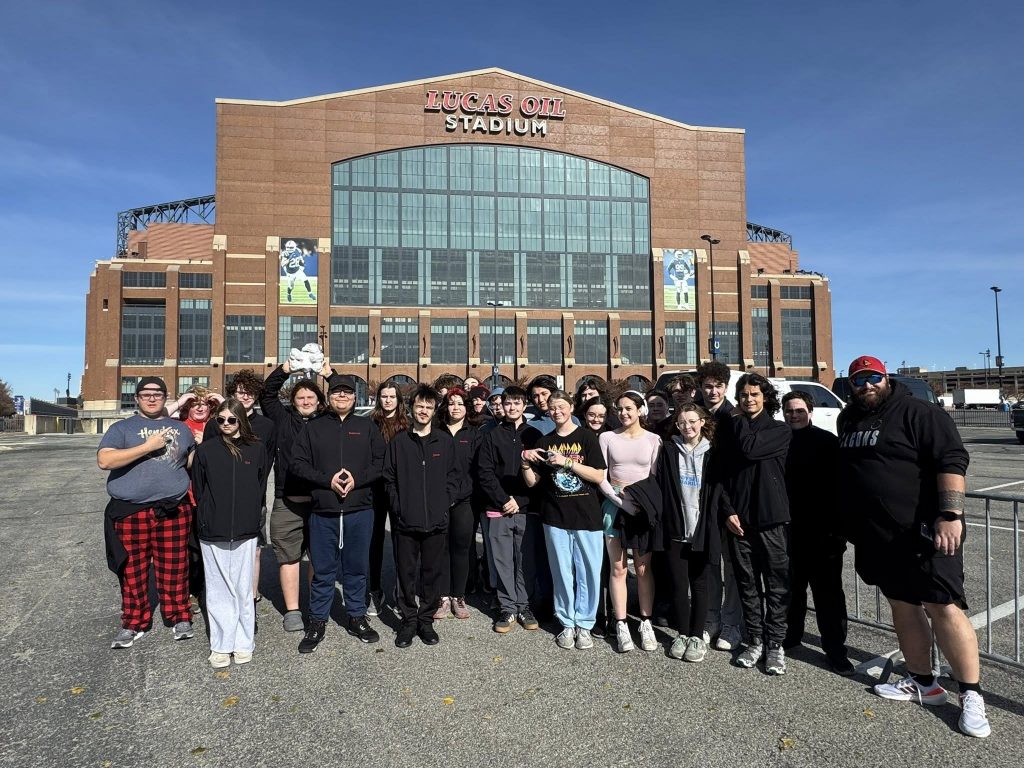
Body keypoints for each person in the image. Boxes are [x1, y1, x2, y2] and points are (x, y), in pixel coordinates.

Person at [837, 356, 989, 738]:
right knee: (902, 606)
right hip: (879, 537)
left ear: (886, 378)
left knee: (943, 605)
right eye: (858, 380)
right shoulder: (849, 419)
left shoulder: (919, 413)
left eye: (873, 378)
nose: (866, 386)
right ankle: (925, 683)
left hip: (926, 531)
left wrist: (950, 515)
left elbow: (951, 460)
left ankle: (971, 694)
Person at [98, 377, 196, 649]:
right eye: (146, 394)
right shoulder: (121, 428)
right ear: (137, 398)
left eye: (157, 394)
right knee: (132, 569)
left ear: (166, 398)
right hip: (131, 511)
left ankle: (179, 616)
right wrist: (147, 447)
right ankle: (133, 622)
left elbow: (190, 461)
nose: (152, 398)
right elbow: (105, 460)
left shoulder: (181, 429)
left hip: (173, 509)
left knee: (175, 566)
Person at [290, 374, 386, 652]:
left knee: (357, 568)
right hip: (324, 510)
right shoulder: (313, 428)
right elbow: (298, 463)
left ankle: (356, 616)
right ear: (328, 398)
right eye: (336, 393)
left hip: (359, 509)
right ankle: (317, 621)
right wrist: (325, 480)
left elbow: (381, 462)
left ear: (355, 397)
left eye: (346, 392)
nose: (341, 396)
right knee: (322, 571)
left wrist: (358, 478)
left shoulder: (366, 427)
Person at [629, 403, 721, 662]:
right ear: (677, 425)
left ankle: (696, 636)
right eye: (682, 422)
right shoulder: (669, 450)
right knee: (679, 585)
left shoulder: (713, 452)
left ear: (702, 422)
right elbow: (657, 483)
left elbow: (720, 489)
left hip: (702, 527)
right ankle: (682, 633)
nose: (688, 426)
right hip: (676, 528)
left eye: (692, 421)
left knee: (700, 584)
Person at [718, 373, 792, 675]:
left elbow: (749, 448)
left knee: (775, 583)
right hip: (739, 518)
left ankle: (776, 644)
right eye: (744, 394)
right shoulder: (729, 430)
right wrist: (727, 510)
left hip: (771, 517)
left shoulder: (780, 430)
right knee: (747, 583)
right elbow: (720, 473)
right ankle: (755, 638)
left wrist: (735, 420)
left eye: (755, 394)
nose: (748, 399)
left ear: (765, 398)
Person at [522, 391, 607, 650]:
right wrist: (525, 463)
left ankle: (585, 624)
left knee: (588, 572)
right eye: (551, 407)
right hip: (555, 516)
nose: (556, 411)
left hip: (586, 516)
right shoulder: (544, 440)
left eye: (561, 406)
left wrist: (567, 463)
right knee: (561, 572)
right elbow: (534, 483)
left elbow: (599, 475)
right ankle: (567, 623)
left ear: (571, 407)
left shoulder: (587, 437)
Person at [192, 399, 270, 667]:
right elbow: (199, 490)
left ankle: (244, 641)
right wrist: (207, 515)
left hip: (246, 530)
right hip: (213, 529)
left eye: (231, 419)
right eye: (221, 420)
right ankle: (221, 644)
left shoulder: (257, 449)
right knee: (217, 589)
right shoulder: (206, 451)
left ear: (241, 421)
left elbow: (260, 487)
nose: (226, 424)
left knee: (242, 587)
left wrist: (251, 517)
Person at [781, 392, 853, 676]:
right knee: (792, 591)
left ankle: (836, 651)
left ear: (809, 411)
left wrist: (840, 529)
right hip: (790, 531)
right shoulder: (780, 441)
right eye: (789, 411)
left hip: (824, 534)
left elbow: (842, 486)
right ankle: (791, 636)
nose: (794, 415)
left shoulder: (827, 442)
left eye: (799, 410)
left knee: (829, 596)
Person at [384, 386, 460, 648]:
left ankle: (425, 621)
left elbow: (454, 476)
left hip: (437, 521)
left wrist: (444, 502)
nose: (424, 410)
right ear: (411, 408)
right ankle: (407, 620)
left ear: (434, 409)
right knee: (405, 574)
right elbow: (389, 479)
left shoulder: (444, 441)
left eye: (429, 406)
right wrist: (398, 507)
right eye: (419, 406)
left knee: (432, 573)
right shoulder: (399, 442)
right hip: (406, 522)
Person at [259, 359, 328, 632]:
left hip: (321, 500)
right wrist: (286, 369)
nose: (306, 400)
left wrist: (328, 374)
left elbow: (342, 395)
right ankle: (292, 610)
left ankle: (315, 606)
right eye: (301, 396)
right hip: (287, 500)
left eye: (311, 396)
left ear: (319, 400)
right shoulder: (282, 419)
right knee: (288, 557)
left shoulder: (327, 421)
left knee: (319, 558)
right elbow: (267, 393)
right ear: (294, 400)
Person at [204, 370, 276, 604]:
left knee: (254, 547)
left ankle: (251, 595)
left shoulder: (266, 425)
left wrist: (256, 490)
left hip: (255, 495)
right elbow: (205, 462)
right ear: (233, 392)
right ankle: (225, 594)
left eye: (250, 392)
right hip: (220, 497)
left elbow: (267, 464)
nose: (245, 396)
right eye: (240, 391)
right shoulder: (217, 424)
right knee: (223, 548)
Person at [599, 391, 663, 652]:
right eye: (620, 409)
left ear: (640, 410)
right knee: (618, 568)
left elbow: (655, 477)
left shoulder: (654, 439)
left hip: (643, 511)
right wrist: (621, 502)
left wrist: (639, 504)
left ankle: (646, 622)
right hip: (614, 507)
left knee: (643, 568)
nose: (624, 413)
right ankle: (621, 622)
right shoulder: (607, 438)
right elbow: (601, 476)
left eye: (629, 408)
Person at [476, 386, 542, 633]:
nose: (512, 407)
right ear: (501, 406)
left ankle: (524, 605)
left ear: (525, 405)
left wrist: (521, 500)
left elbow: (539, 475)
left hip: (526, 509)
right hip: (498, 507)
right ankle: (507, 607)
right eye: (508, 403)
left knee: (525, 559)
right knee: (502, 559)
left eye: (517, 403)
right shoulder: (492, 436)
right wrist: (504, 499)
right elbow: (485, 472)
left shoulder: (534, 435)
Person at [697, 360, 742, 652]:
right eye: (708, 386)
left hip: (730, 501)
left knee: (733, 565)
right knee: (709, 564)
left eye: (718, 386)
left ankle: (732, 622)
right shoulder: (694, 414)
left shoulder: (735, 417)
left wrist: (728, 508)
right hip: (701, 500)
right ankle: (710, 617)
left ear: (726, 387)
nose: (712, 391)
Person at [435, 387, 480, 620]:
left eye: (460, 403)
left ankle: (458, 596)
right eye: (452, 403)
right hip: (439, 499)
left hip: (465, 499)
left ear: (467, 408)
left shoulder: (474, 434)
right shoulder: (436, 431)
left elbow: (477, 469)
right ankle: (442, 596)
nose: (455, 407)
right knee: (441, 547)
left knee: (461, 547)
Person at [367, 379, 409, 616]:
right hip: (374, 489)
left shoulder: (407, 425)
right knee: (374, 542)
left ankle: (402, 590)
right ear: (379, 399)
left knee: (402, 541)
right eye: (384, 396)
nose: (388, 400)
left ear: (398, 400)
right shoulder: (370, 423)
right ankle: (374, 590)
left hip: (401, 489)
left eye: (392, 396)